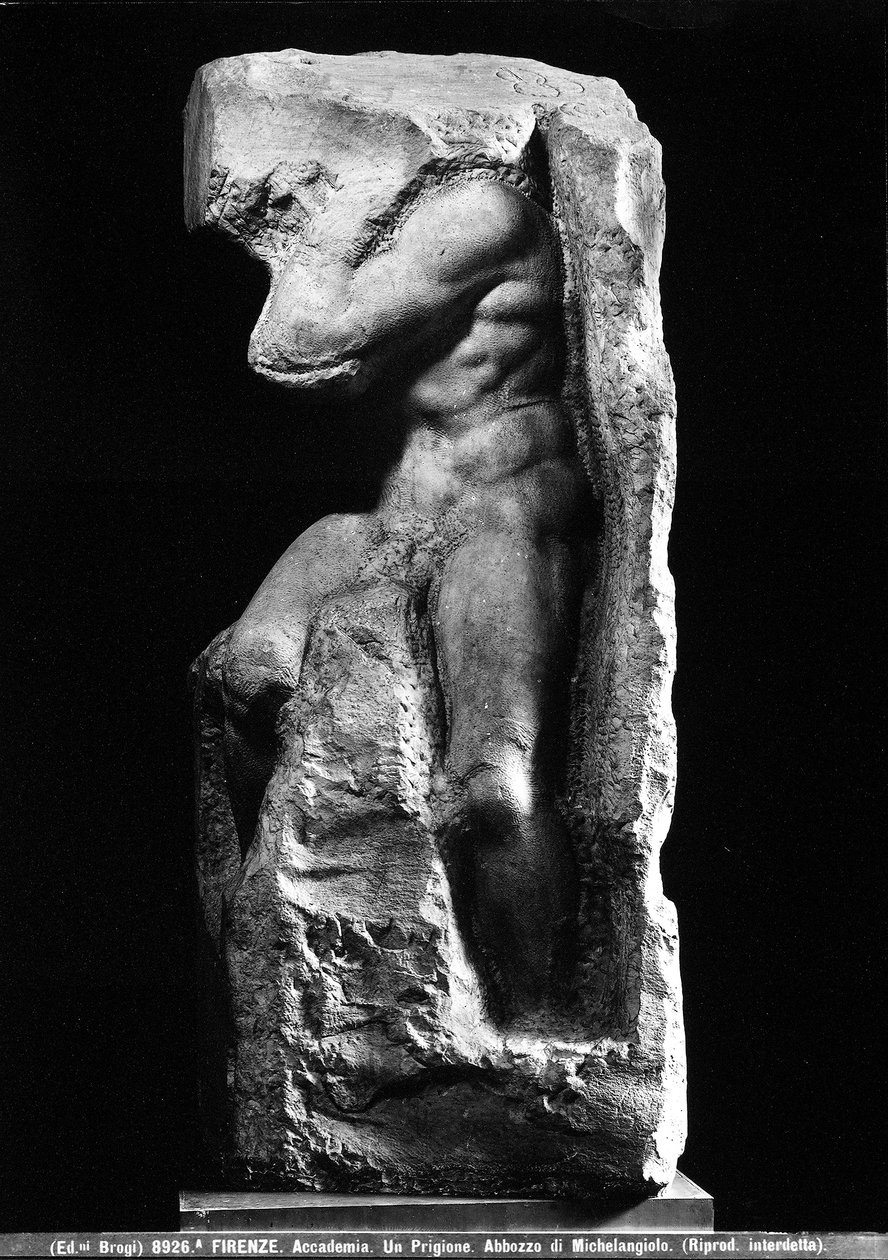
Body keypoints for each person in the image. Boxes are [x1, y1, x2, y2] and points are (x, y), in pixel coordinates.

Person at [220, 169, 588, 1022]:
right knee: (250, 676)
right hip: (396, 514)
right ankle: (274, 938)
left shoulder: (482, 210)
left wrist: (295, 217)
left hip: (502, 511)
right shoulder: (388, 222)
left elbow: (304, 346)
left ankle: (536, 1027)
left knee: (493, 789)